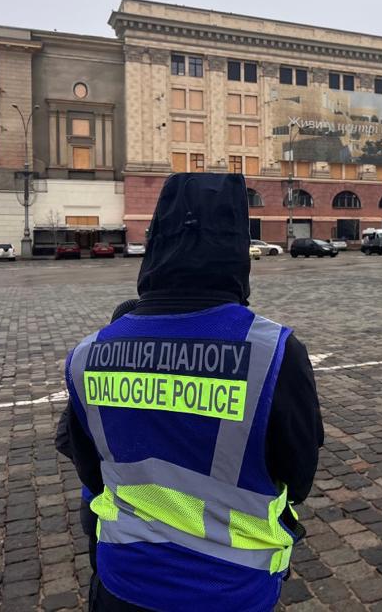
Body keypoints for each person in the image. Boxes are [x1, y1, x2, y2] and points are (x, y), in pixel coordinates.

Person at [58, 173, 323, 611]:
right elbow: (297, 478)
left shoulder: (89, 353)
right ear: (238, 245)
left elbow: (90, 472)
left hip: (123, 583)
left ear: (157, 239)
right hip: (230, 589)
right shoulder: (272, 352)